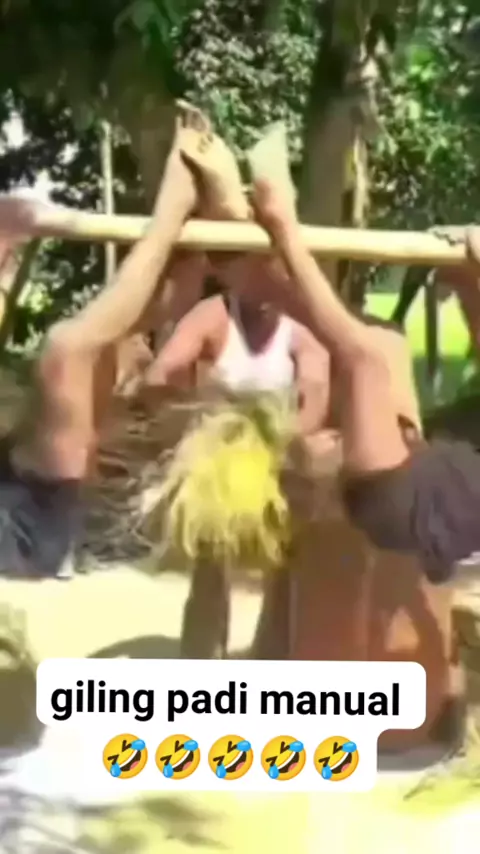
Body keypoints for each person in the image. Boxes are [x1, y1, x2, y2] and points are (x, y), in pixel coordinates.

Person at [0, 105, 203, 579]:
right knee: (68, 348)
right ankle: (175, 210)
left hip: (20, 499)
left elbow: (169, 301)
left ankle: (182, 223)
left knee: (85, 345)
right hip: (26, 525)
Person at [250, 172, 480, 585]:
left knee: (366, 358)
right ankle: (260, 270)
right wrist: (467, 283)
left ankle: (276, 241)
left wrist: (284, 228)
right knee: (383, 339)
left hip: (403, 495)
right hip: (415, 480)